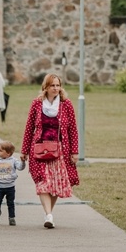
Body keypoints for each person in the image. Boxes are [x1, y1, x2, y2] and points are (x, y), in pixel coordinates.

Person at [21, 73, 80, 229]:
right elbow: (29, 128)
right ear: (45, 87)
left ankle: (48, 214)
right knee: (42, 183)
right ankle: (48, 215)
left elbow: (73, 129)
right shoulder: (36, 104)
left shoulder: (66, 104)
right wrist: (24, 151)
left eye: (58, 85)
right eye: (52, 85)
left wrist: (74, 151)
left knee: (54, 185)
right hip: (39, 150)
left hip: (60, 150)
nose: (55, 88)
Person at [0, 141, 25, 226]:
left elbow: (20, 168)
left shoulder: (14, 161)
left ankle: (11, 218)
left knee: (10, 203)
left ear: (8, 153)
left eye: (1, 151)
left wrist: (23, 162)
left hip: (10, 187)